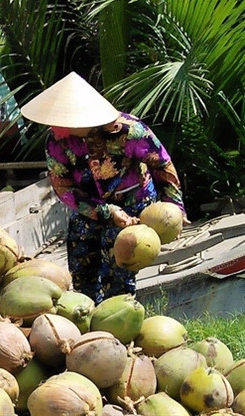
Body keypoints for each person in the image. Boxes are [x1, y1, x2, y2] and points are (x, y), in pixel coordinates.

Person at [20, 72, 188, 304]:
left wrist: (174, 207)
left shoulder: (129, 131)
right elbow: (63, 186)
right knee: (81, 266)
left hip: (133, 205)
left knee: (119, 264)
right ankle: (87, 315)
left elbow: (162, 164)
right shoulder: (56, 140)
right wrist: (105, 211)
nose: (57, 125)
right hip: (90, 205)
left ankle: (119, 314)